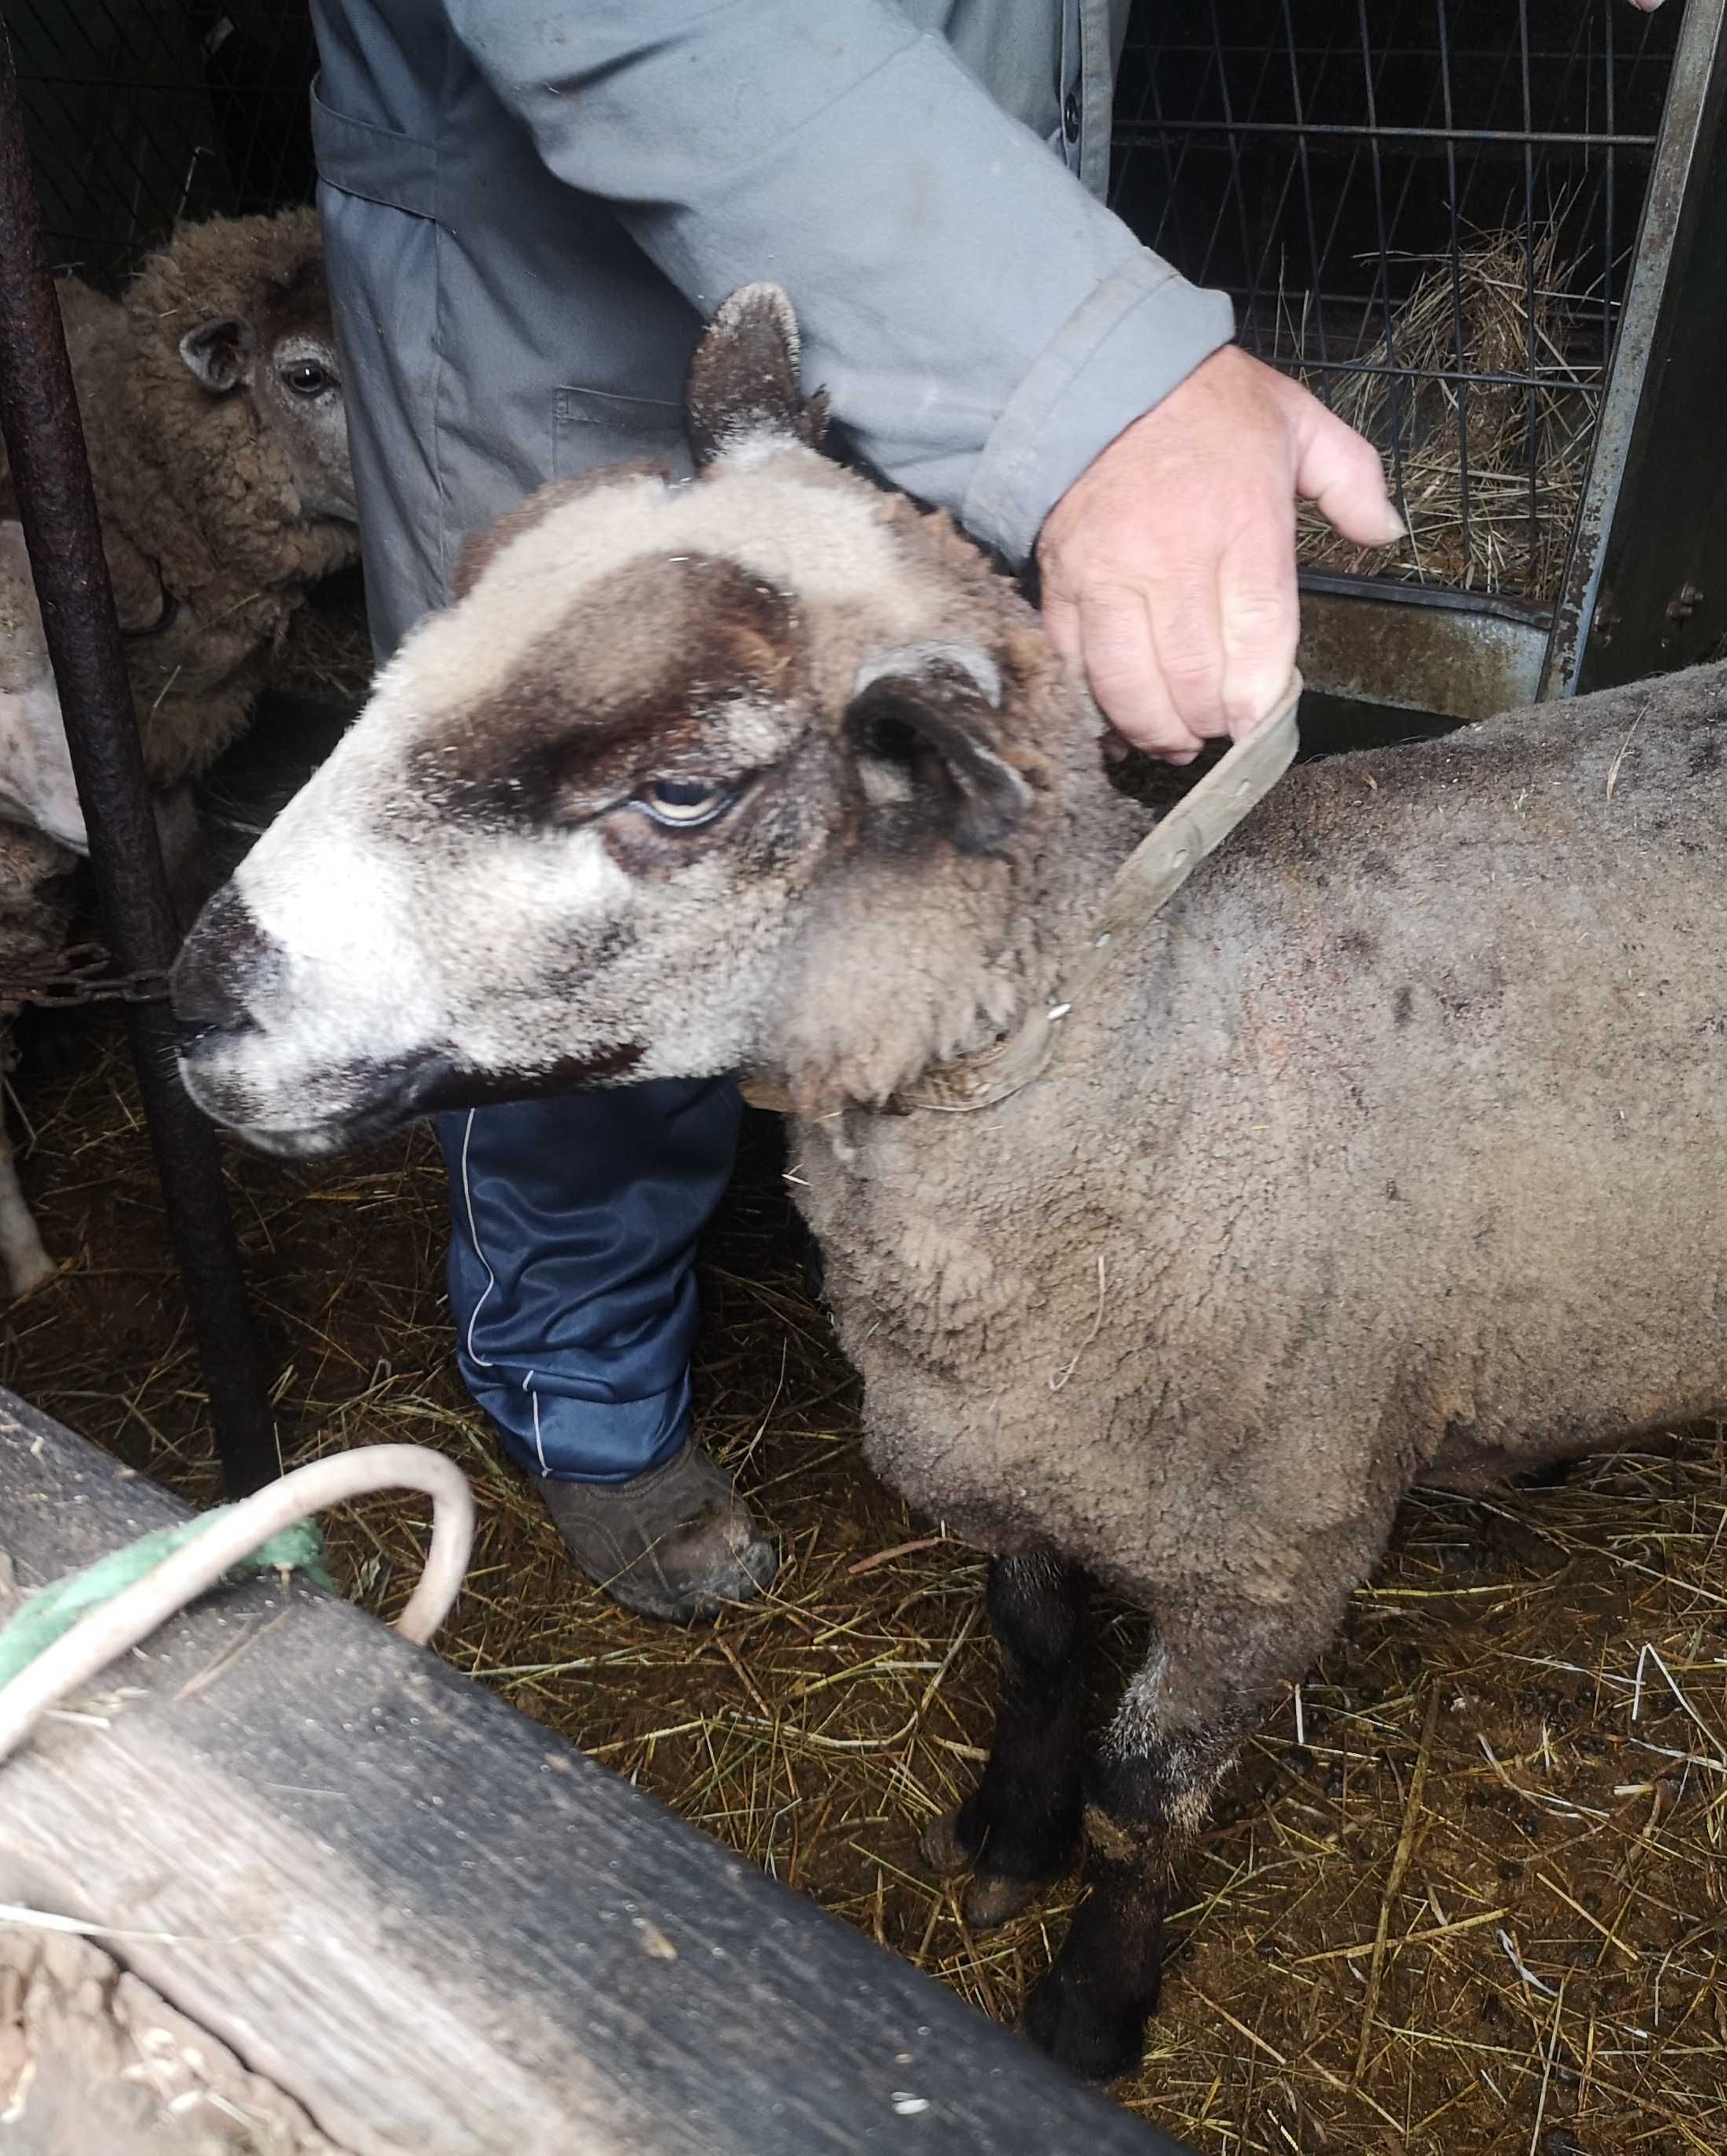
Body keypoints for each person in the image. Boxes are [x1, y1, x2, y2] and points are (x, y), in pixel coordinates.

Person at [308, 1, 1404, 1620]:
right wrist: (1094, 388)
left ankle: (931, 1300)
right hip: (574, 321)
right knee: (605, 893)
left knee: (903, 865)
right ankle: (582, 1385)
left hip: (938, 297)